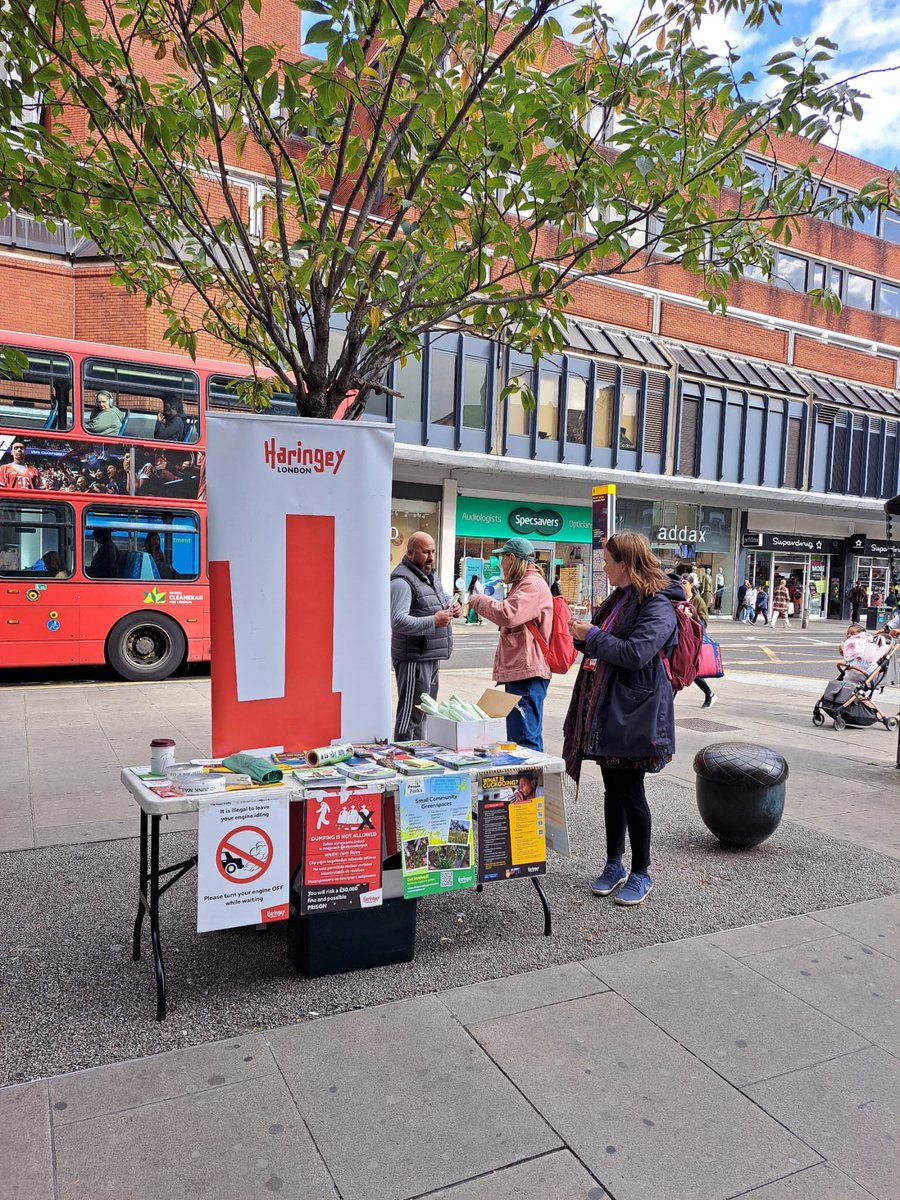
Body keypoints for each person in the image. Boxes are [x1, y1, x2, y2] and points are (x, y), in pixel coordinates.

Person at [563, 532, 679, 908]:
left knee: (630, 791)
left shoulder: (657, 604)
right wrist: (581, 635)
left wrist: (593, 635)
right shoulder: (620, 598)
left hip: (637, 712)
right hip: (611, 708)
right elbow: (607, 643)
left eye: (609, 562)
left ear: (625, 565)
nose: (604, 567)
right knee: (613, 789)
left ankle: (642, 871)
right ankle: (614, 863)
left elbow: (636, 653)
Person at [469, 537, 553, 751]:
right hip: (521, 671)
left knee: (525, 740)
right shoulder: (523, 584)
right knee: (519, 737)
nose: (500, 563)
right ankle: (526, 784)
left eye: (502, 558)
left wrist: (478, 600)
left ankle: (530, 784)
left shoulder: (532, 585)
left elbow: (508, 614)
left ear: (512, 559)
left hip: (527, 674)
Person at [390, 531, 461, 741]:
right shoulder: (402, 581)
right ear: (410, 553)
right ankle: (403, 756)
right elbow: (397, 621)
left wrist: (454, 606)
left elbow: (442, 597)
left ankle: (418, 756)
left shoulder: (429, 575)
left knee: (424, 713)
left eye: (433, 551)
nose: (431, 557)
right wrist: (432, 621)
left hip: (429, 655)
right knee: (410, 716)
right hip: (414, 658)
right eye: (425, 552)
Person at [682, 576, 717, 708]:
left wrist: (691, 616)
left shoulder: (698, 600)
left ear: (691, 585)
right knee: (684, 669)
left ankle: (709, 694)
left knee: (689, 669)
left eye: (684, 583)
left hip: (693, 641)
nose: (682, 585)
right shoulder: (679, 599)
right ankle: (710, 694)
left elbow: (704, 622)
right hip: (681, 640)